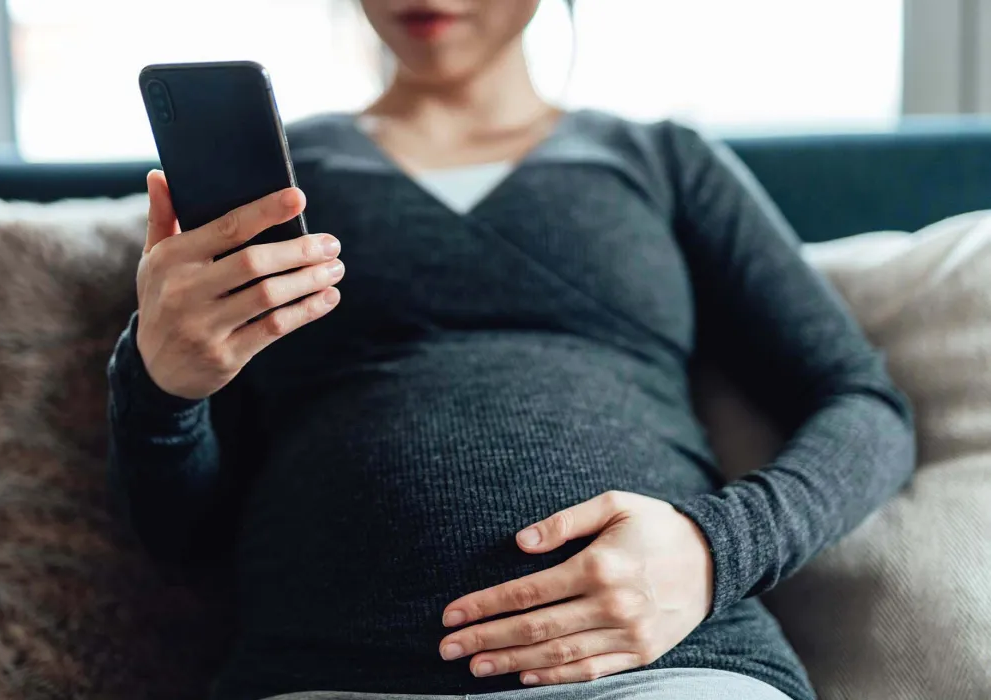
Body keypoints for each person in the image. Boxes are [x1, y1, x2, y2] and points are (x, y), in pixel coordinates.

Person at [107, 2, 916, 700]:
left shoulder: (660, 160)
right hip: (324, 672)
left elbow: (863, 404)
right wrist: (161, 389)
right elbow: (184, 537)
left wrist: (716, 547)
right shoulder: (276, 187)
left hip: (665, 672)